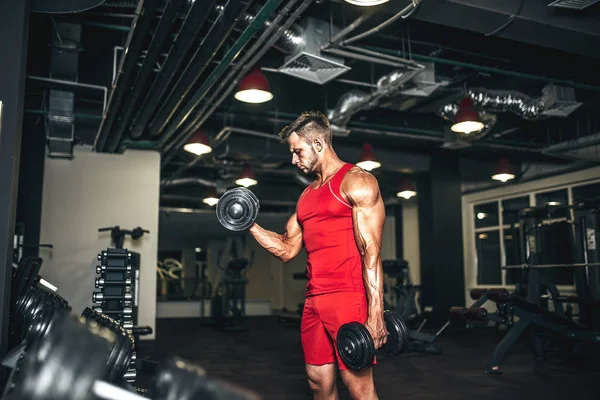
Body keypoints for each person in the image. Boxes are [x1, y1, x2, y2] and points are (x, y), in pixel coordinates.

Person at [248, 111, 387, 400]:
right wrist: (248, 223)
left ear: (318, 144)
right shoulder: (306, 196)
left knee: (358, 385)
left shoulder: (356, 182)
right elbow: (287, 249)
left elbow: (371, 253)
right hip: (314, 301)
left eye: (298, 151)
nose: (294, 160)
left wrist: (375, 314)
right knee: (317, 383)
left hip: (348, 298)